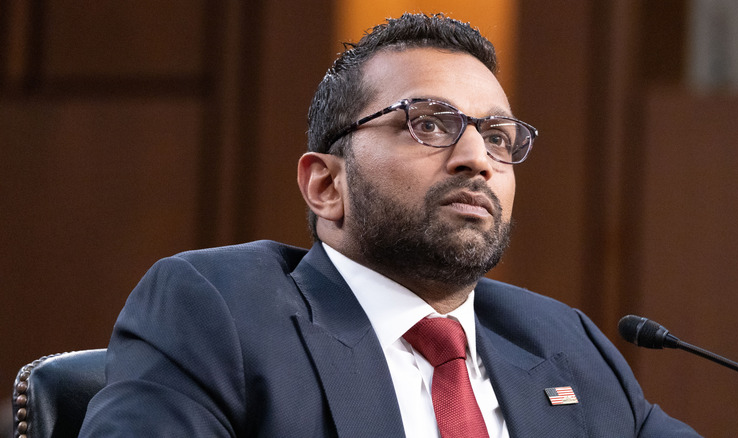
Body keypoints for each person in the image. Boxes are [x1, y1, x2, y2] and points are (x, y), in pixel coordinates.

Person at [79, 13, 699, 437]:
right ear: (327, 184)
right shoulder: (218, 310)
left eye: (497, 136)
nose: (476, 158)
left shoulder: (566, 344)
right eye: (429, 124)